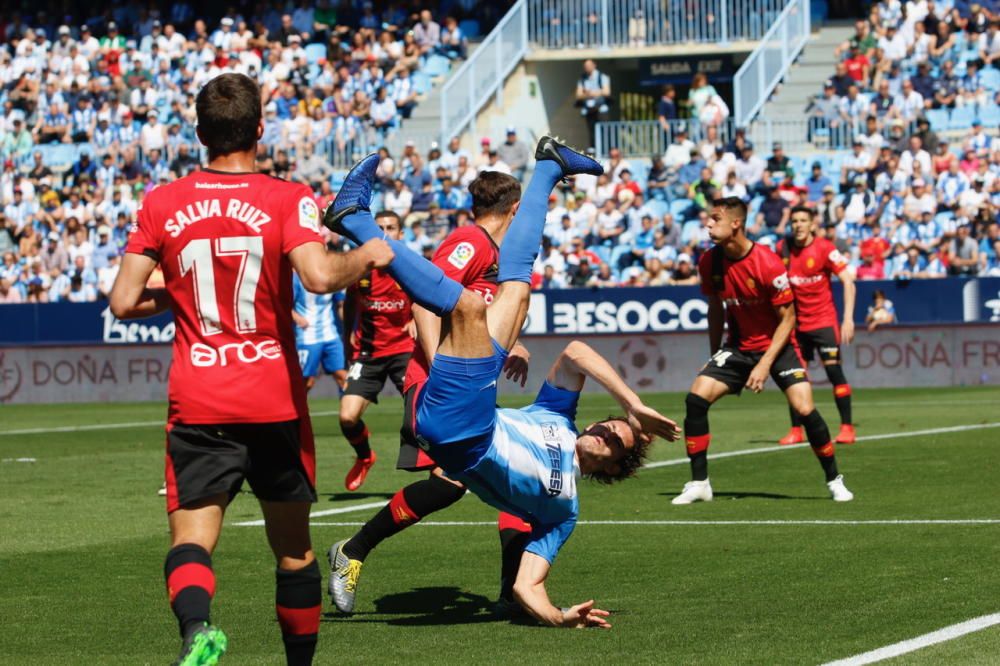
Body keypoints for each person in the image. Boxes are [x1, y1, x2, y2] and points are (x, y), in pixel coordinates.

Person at [323, 138, 679, 627]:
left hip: (462, 426)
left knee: (476, 307)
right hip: (459, 400)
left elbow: (530, 584)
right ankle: (550, 168)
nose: (602, 431)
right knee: (517, 287)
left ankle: (353, 221)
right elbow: (575, 353)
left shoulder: (564, 510)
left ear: (612, 469)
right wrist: (633, 405)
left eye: (614, 439)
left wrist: (556, 616)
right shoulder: (557, 418)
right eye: (608, 424)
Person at [108, 73, 393, 666]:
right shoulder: (288, 198)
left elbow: (123, 301)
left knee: (191, 542)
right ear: (260, 130)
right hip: (273, 400)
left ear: (198, 132)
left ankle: (196, 630)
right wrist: (365, 255)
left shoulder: (161, 202)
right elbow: (318, 277)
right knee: (293, 552)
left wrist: (176, 290)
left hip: (198, 399)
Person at [326, 171, 537, 616]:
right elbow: (426, 300)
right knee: (484, 482)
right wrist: (441, 366)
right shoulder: (470, 241)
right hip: (439, 384)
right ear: (515, 210)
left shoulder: (494, 252)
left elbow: (476, 317)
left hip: (468, 387)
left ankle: (508, 594)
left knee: (484, 484)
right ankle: (355, 551)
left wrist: (510, 344)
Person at [671, 197, 853, 505]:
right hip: (739, 349)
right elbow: (715, 309)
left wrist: (764, 365)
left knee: (805, 409)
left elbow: (789, 319)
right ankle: (699, 482)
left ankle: (834, 479)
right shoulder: (709, 262)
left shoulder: (767, 262)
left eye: (715, 219)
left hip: (779, 347)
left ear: (736, 224)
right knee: (695, 399)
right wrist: (714, 353)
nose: (708, 224)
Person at [339, 211, 415, 492]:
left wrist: (415, 319)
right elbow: (349, 302)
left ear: (401, 234)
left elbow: (431, 298)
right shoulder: (362, 269)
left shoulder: (410, 266)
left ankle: (444, 466)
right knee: (347, 417)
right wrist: (348, 335)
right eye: (380, 227)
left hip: (404, 350)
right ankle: (365, 457)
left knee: (421, 408)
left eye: (391, 227)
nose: (385, 232)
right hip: (369, 352)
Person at [775, 207, 858, 446]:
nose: (798, 225)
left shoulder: (825, 249)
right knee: (794, 377)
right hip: (796, 325)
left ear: (812, 224)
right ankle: (795, 430)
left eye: (803, 221)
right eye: (794, 221)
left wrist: (848, 319)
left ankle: (847, 428)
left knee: (834, 373)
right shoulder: (783, 248)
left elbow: (848, 282)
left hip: (823, 323)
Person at [293, 272, 347, 393]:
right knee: (306, 381)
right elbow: (284, 305)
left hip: (331, 335)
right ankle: (295, 410)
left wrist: (350, 326)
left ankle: (349, 411)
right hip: (307, 336)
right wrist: (297, 317)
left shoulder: (331, 277)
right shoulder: (297, 279)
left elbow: (341, 304)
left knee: (343, 376)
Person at [575, 59, 611, 147]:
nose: (587, 68)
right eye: (585, 66)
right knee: (592, 132)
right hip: (589, 110)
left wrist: (590, 93)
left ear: (594, 65)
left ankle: (607, 149)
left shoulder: (602, 77)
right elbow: (578, 95)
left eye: (589, 65)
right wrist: (596, 93)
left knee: (605, 131)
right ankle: (594, 150)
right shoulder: (582, 79)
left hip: (601, 109)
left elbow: (607, 92)